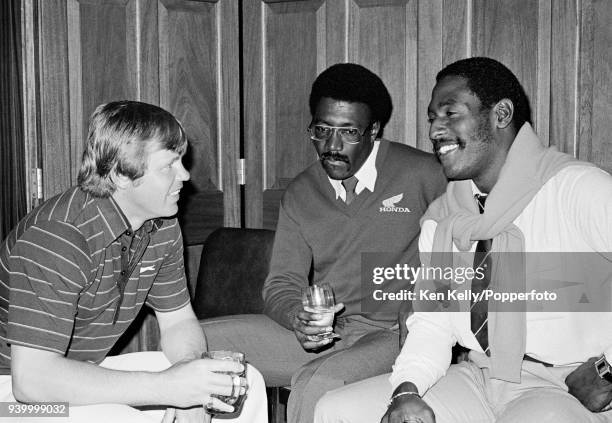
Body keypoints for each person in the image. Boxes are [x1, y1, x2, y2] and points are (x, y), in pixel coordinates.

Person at [314, 57, 612, 423]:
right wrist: (406, 390)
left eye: (450, 113)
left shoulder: (578, 190)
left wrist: (607, 369)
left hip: (562, 385)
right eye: (432, 118)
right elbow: (434, 324)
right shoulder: (444, 219)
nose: (435, 130)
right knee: (336, 410)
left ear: (501, 114)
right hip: (480, 375)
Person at [200, 63, 447, 423]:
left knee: (316, 385)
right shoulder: (301, 192)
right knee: (196, 345)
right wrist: (297, 318)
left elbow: (475, 252)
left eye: (348, 131)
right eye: (322, 130)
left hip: (393, 333)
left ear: (373, 130)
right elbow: (283, 284)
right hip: (329, 331)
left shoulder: (423, 174)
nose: (331, 146)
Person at [0, 101, 267, 423]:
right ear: (121, 175)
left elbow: (179, 322)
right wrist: (166, 389)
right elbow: (32, 382)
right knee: (117, 417)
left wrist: (189, 378)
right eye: (169, 165)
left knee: (239, 383)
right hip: (12, 394)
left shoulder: (161, 225)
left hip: (83, 371)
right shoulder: (58, 237)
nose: (185, 175)